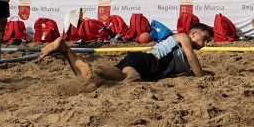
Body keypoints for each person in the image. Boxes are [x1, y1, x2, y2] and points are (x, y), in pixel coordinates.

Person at [38, 22, 213, 84]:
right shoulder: (183, 37)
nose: (204, 44)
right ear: (193, 33)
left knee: (93, 79)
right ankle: (90, 65)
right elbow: (191, 58)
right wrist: (202, 77)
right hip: (146, 61)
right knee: (125, 79)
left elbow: (185, 66)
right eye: (204, 38)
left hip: (140, 61)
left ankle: (65, 50)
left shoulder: (181, 52)